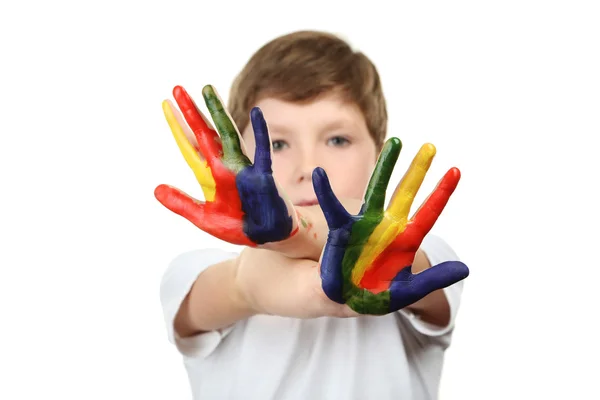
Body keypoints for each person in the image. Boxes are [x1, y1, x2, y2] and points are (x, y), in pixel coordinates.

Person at [156, 30, 469, 399]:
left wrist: (290, 231)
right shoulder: (197, 273)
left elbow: (400, 263)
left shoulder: (420, 253)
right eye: (277, 143)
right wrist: (267, 269)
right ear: (236, 153)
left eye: (337, 140)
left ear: (380, 157)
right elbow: (244, 285)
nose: (309, 166)